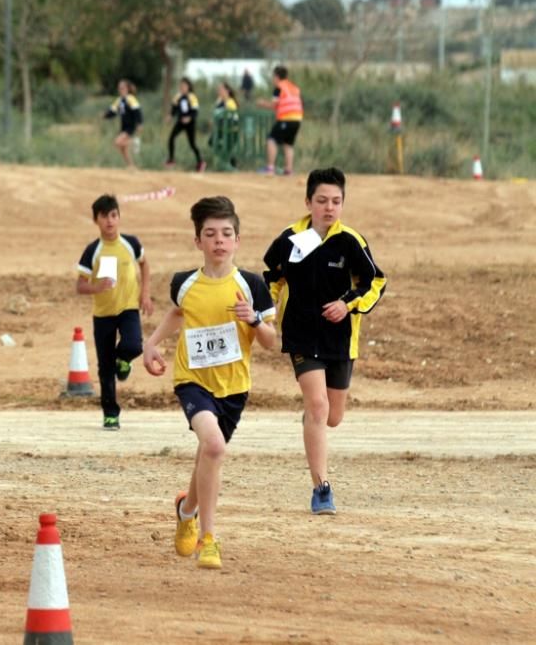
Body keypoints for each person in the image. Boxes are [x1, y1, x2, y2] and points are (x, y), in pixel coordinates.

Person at [143, 196, 277, 570]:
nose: (219, 240)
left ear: (237, 240)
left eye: (226, 233)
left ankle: (186, 510)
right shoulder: (184, 283)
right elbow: (177, 313)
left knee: (208, 453)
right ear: (198, 241)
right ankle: (209, 538)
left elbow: (272, 341)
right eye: (210, 234)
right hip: (192, 381)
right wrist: (151, 344)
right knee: (215, 447)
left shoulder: (251, 285)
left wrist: (253, 320)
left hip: (234, 387)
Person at [262, 168, 387, 515]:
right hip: (301, 335)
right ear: (308, 202)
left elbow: (375, 282)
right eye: (322, 201)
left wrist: (347, 305)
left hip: (340, 340)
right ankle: (321, 488)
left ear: (343, 203)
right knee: (318, 407)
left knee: (332, 416)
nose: (329, 207)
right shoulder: (289, 239)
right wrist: (267, 309)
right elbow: (271, 278)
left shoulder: (350, 241)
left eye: (336, 201)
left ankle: (313, 417)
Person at [76, 194, 153, 431]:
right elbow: (79, 285)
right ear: (96, 220)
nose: (109, 221)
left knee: (134, 346)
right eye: (104, 217)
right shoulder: (93, 250)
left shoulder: (131, 243)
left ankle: (124, 360)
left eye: (113, 215)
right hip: (103, 314)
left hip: (129, 308)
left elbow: (144, 263)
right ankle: (110, 414)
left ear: (119, 217)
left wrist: (145, 293)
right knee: (105, 366)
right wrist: (96, 287)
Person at [257, 65, 303, 175]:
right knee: (288, 144)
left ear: (276, 76)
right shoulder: (294, 87)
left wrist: (262, 103)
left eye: (273, 76)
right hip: (297, 119)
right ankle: (288, 169)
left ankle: (270, 168)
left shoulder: (279, 87)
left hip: (286, 118)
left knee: (271, 140)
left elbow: (274, 104)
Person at [165, 77, 204, 172]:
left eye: (184, 86)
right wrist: (170, 116)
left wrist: (189, 118)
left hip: (190, 123)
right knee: (171, 138)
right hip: (180, 122)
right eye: (181, 86)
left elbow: (195, 111)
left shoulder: (192, 97)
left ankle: (200, 162)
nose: (182, 88)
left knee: (192, 144)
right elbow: (174, 108)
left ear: (188, 87)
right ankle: (171, 159)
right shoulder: (178, 96)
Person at [103, 79, 143, 169]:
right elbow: (113, 111)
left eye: (122, 88)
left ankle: (134, 142)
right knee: (123, 149)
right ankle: (131, 166)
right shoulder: (119, 100)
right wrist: (105, 115)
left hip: (130, 126)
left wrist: (139, 123)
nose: (120, 90)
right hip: (124, 127)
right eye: (119, 88)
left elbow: (138, 112)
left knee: (117, 142)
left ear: (127, 89)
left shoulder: (130, 99)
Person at [210, 82, 240, 169]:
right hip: (221, 130)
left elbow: (230, 116)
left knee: (226, 149)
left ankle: (231, 165)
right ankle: (228, 164)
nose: (219, 91)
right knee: (213, 143)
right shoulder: (219, 102)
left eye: (221, 89)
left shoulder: (230, 102)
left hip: (231, 131)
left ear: (227, 91)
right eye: (219, 89)